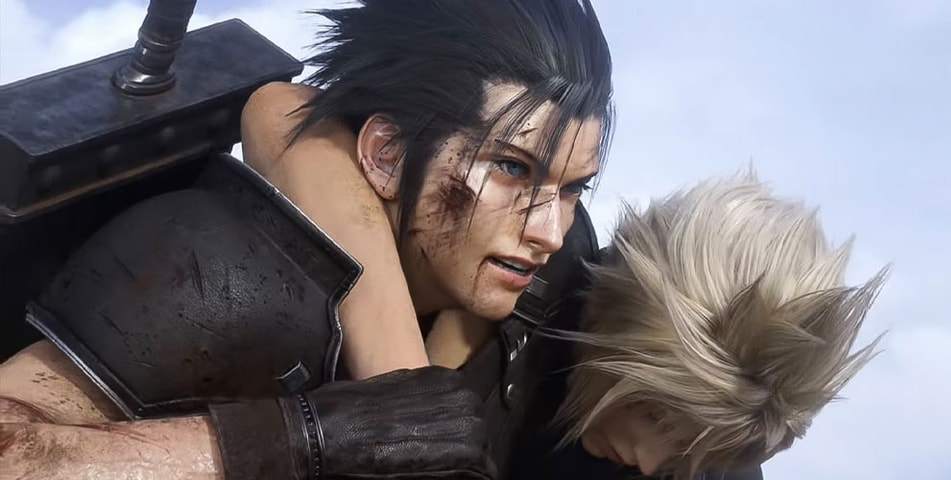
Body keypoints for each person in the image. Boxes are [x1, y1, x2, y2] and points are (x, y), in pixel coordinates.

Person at [0, 1, 617, 479]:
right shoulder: (217, 273)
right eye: (510, 167)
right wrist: (303, 437)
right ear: (387, 155)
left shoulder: (555, 279)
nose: (548, 231)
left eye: (572, 189)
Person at [505, 172, 887, 479]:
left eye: (687, 450)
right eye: (654, 415)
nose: (650, 462)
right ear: (611, 320)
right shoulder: (510, 304)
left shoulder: (723, 469)